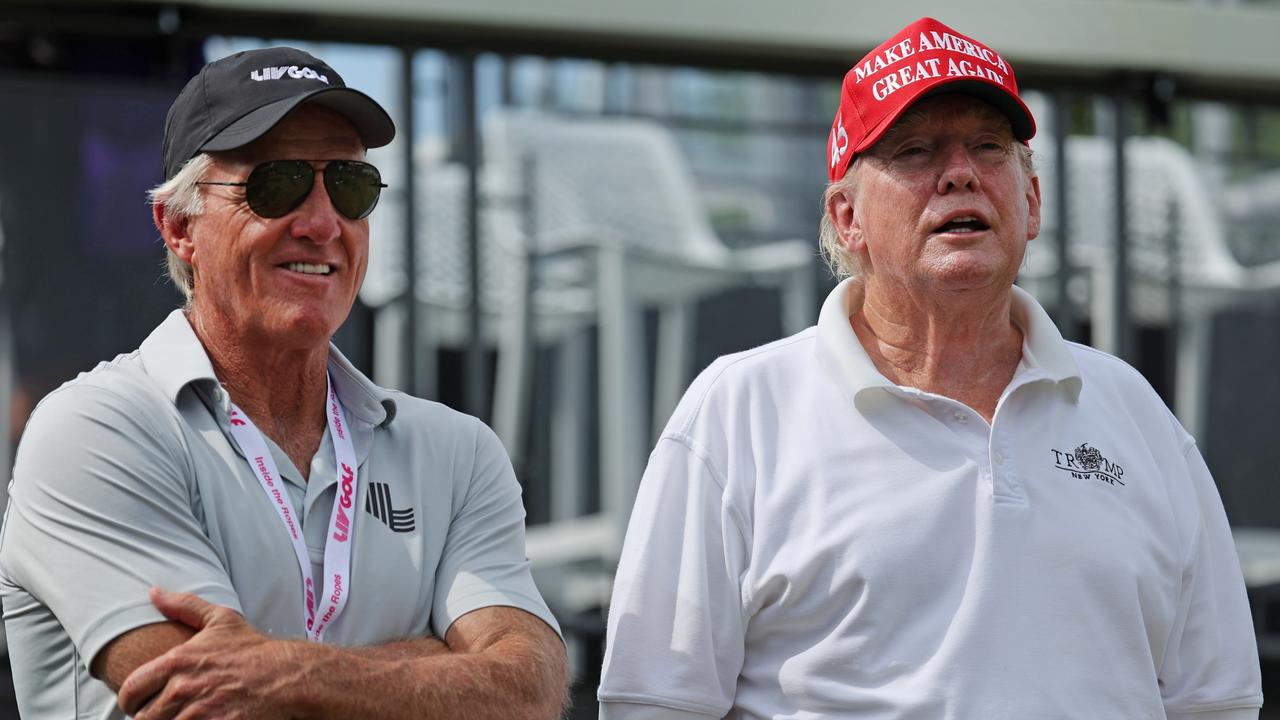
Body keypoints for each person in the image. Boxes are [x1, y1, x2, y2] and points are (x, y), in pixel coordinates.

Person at [598, 17, 1262, 719]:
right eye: (915, 152)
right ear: (847, 217)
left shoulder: (1133, 410)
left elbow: (1216, 701)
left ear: (1030, 203)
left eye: (987, 147)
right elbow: (653, 702)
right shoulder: (742, 410)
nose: (959, 173)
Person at [0, 46, 566, 720]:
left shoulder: (457, 449)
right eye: (278, 183)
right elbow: (209, 705)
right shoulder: (98, 431)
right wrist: (440, 669)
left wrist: (287, 672)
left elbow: (529, 692)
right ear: (179, 227)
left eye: (351, 186)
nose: (323, 223)